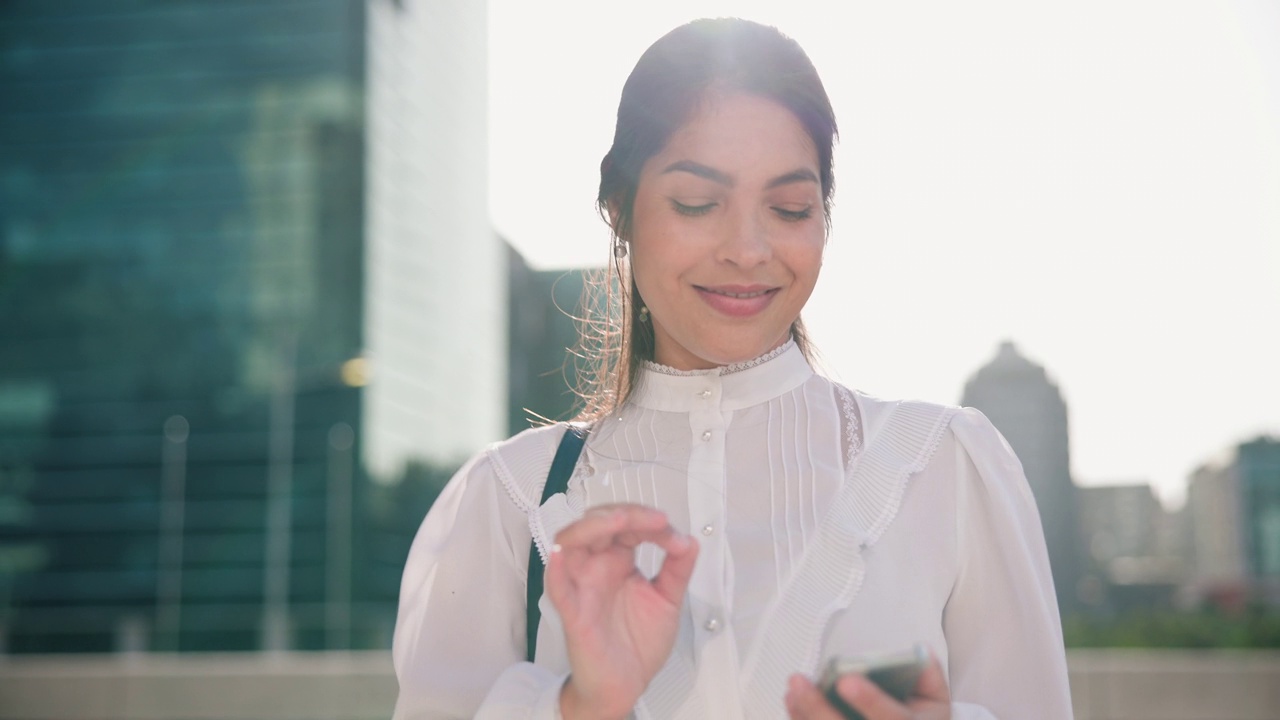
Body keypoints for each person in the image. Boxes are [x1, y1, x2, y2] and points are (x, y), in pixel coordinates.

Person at [392, 17, 1073, 720]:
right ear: (619, 210)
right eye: (697, 203)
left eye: (789, 208)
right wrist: (582, 705)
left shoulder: (945, 468)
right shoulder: (507, 501)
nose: (748, 249)